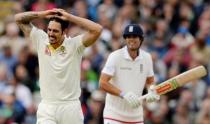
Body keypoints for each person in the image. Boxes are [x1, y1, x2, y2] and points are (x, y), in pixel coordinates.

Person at [15, 8, 102, 124]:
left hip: (70, 107)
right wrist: (42, 14)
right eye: (49, 30)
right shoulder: (41, 39)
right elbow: (18, 19)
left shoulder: (75, 45)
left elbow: (97, 29)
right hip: (47, 106)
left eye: (55, 31)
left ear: (64, 32)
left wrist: (70, 17)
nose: (50, 34)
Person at [99, 24, 160, 124]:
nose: (131, 39)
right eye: (128, 37)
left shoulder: (147, 58)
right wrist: (123, 94)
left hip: (136, 117)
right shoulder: (115, 56)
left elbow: (150, 82)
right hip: (114, 115)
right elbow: (102, 83)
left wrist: (151, 91)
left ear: (141, 39)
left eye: (135, 36)